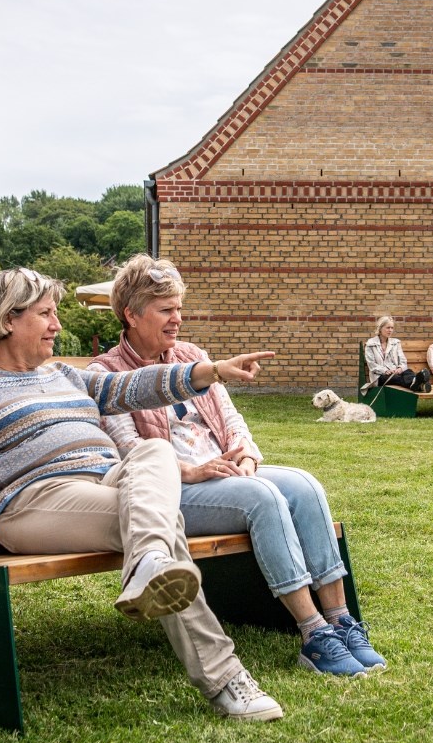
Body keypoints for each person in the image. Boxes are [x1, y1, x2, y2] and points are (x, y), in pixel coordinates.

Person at [0, 267, 285, 723]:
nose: (58, 325)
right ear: (9, 320)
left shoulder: (65, 376)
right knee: (162, 528)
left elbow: (133, 387)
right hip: (33, 501)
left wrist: (211, 371)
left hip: (104, 485)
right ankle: (225, 678)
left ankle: (150, 565)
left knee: (153, 450)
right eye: (46, 314)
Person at [88, 254, 386, 679]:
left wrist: (245, 453)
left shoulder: (192, 355)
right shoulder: (107, 372)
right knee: (261, 497)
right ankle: (313, 631)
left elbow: (230, 418)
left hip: (226, 472)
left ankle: (340, 619)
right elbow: (129, 448)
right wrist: (192, 470)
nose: (177, 320)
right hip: (173, 490)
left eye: (179, 309)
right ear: (131, 314)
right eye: (165, 310)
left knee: (305, 485)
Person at [363, 316, 431, 393]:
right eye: (388, 328)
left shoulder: (395, 343)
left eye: (392, 328)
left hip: (396, 372)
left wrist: (400, 368)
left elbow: (403, 361)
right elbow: (372, 365)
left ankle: (418, 385)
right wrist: (385, 371)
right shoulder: (371, 344)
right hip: (380, 376)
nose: (390, 330)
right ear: (380, 328)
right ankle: (417, 383)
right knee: (397, 378)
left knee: (408, 371)